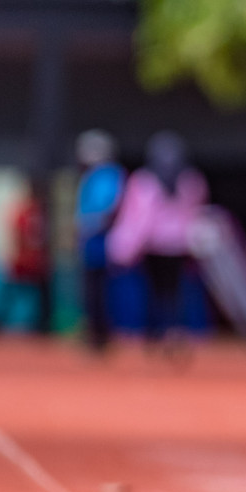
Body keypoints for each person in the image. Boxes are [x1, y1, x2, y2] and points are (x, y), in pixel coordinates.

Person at [108, 132, 208, 353]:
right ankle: (173, 331)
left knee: (155, 291)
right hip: (179, 244)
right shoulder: (190, 180)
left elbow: (140, 218)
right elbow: (195, 212)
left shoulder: (145, 180)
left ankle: (158, 333)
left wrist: (126, 247)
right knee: (174, 291)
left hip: (154, 244)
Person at [74, 130, 125, 353]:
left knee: (99, 290)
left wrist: (88, 226)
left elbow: (107, 210)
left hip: (101, 242)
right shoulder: (94, 176)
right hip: (91, 241)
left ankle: (100, 335)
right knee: (92, 290)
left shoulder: (107, 175)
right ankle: (95, 333)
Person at [0, 179, 48, 334]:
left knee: (34, 294)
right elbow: (16, 236)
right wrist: (16, 257)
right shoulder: (24, 212)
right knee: (8, 294)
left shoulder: (37, 211)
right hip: (23, 262)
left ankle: (40, 324)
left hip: (32, 262)